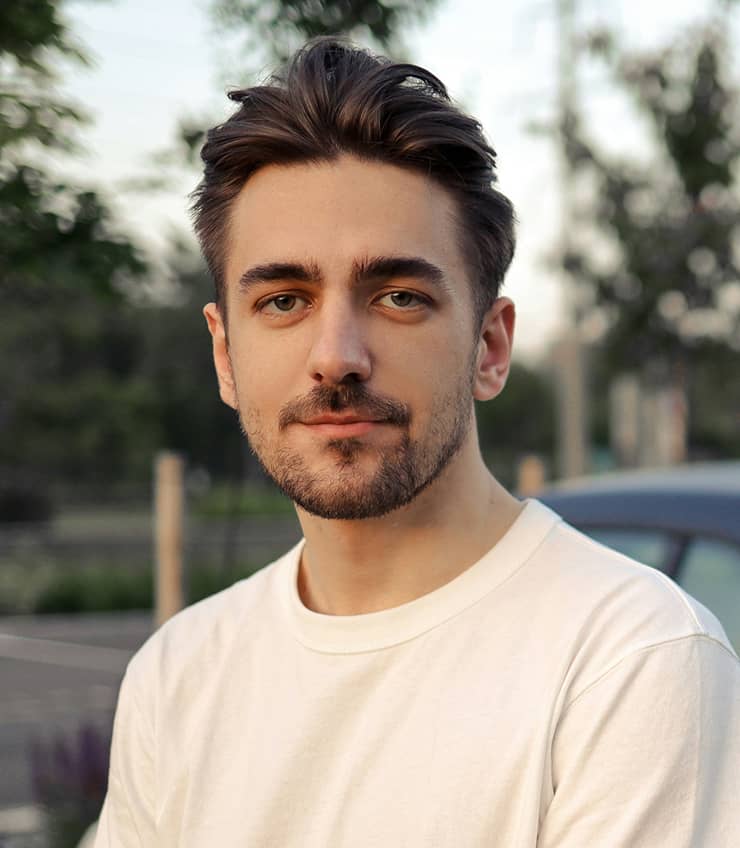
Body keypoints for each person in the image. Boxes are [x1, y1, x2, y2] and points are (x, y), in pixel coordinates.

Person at [95, 38, 740, 847]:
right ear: (225, 355)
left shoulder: (629, 658)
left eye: (398, 296)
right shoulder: (176, 674)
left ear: (490, 348)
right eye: (284, 301)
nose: (336, 356)